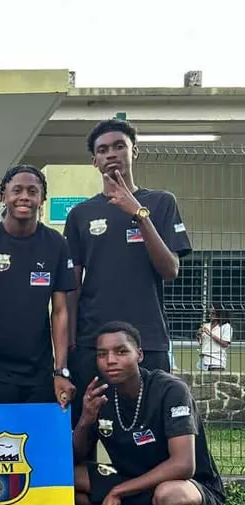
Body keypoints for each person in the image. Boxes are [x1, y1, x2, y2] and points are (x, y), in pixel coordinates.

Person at [72, 322, 224, 505]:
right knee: (66, 478)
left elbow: (184, 465)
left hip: (191, 490)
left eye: (121, 352)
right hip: (136, 483)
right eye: (102, 354)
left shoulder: (170, 390)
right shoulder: (101, 396)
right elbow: (74, 457)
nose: (110, 360)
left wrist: (117, 491)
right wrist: (85, 420)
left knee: (169, 496)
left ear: (139, 354)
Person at [65, 118, 192, 425]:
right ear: (94, 161)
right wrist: (69, 344)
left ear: (134, 152)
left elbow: (170, 269)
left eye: (119, 146)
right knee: (88, 426)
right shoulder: (80, 214)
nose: (111, 154)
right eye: (103, 150)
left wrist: (138, 214)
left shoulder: (160, 203)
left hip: (147, 339)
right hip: (93, 342)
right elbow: (72, 287)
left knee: (153, 426)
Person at [0, 165, 77, 409]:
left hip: (40, 372)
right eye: (17, 190)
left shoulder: (56, 244)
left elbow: (60, 312)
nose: (24, 197)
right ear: (3, 196)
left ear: (42, 199)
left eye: (32, 191)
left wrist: (60, 371)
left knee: (35, 434)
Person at [197, 306, 233, 371]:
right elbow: (202, 343)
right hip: (203, 360)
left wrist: (211, 334)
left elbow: (225, 344)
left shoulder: (226, 326)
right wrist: (198, 335)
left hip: (216, 361)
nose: (210, 315)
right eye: (209, 313)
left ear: (219, 313)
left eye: (213, 313)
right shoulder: (206, 325)